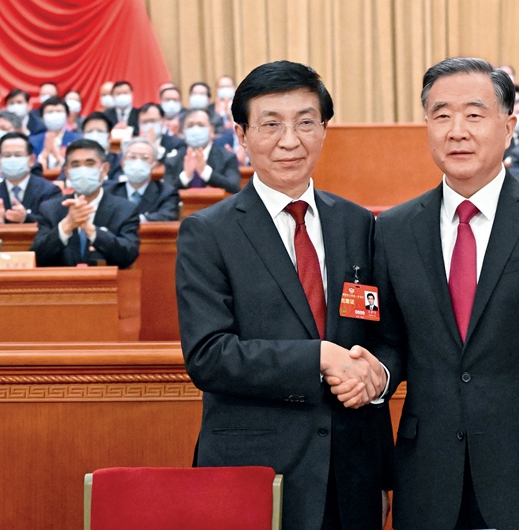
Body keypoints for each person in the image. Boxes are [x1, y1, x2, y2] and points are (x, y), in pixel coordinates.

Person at [369, 58, 519, 529]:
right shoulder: (394, 229)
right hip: (428, 478)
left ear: (508, 127)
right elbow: (391, 343)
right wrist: (375, 374)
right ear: (427, 126)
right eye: (442, 115)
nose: (457, 131)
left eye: (474, 114)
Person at [176, 60, 392, 530]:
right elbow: (208, 356)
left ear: (324, 129)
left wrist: (378, 376)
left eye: (305, 122)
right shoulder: (208, 233)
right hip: (256, 472)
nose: (290, 141)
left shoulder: (358, 224)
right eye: (271, 124)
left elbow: (382, 333)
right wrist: (318, 357)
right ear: (241, 134)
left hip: (351, 474)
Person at [31, 139, 140, 268]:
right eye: (75, 165)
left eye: (90, 164)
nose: (83, 170)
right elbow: (37, 258)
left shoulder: (125, 209)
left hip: (106, 279)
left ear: (104, 169)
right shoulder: (50, 209)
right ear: (67, 172)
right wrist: (66, 226)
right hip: (63, 280)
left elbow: (128, 256)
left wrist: (91, 230)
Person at [163, 108, 241, 193]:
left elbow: (234, 187)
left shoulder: (227, 158)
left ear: (211, 130)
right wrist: (185, 176)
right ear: (183, 131)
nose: (195, 129)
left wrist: (205, 172)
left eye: (201, 125)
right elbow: (165, 193)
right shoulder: (173, 161)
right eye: (190, 126)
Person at [105, 138, 179, 222]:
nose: (138, 162)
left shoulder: (166, 193)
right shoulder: (109, 192)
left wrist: (132, 221)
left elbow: (166, 216)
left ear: (154, 165)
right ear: (122, 163)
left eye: (145, 158)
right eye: (132, 157)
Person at [0, 132, 61, 224]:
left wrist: (26, 218)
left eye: (18, 155)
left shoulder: (50, 191)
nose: (12, 159)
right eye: (7, 155)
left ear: (31, 160)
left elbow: (53, 223)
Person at [29, 97, 81, 170]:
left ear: (67, 116)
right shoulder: (32, 141)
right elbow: (30, 165)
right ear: (42, 117)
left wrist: (58, 157)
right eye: (50, 112)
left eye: (59, 111)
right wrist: (44, 154)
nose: (55, 115)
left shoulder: (78, 139)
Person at [81, 112, 123, 181]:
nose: (94, 135)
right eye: (90, 131)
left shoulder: (118, 161)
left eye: (100, 131)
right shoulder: (75, 159)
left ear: (109, 136)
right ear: (83, 136)